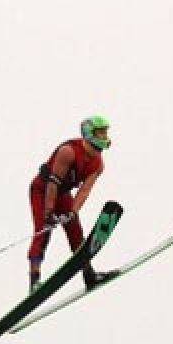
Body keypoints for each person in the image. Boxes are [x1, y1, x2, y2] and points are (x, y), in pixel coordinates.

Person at [27, 115, 111, 291]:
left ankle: (89, 274)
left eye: (105, 132)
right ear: (89, 134)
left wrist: (72, 212)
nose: (105, 136)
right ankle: (34, 280)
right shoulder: (69, 151)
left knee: (76, 232)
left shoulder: (98, 164)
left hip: (63, 194)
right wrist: (49, 212)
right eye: (101, 132)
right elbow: (52, 183)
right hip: (42, 191)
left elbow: (84, 191)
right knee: (43, 231)